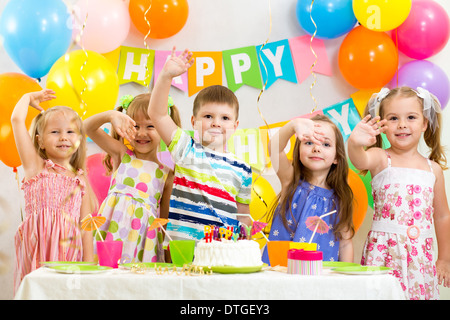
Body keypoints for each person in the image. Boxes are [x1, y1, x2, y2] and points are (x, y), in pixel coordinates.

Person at [348, 86, 450, 300]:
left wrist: (444, 258)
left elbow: (442, 216)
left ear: (424, 123)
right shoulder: (380, 158)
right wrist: (355, 142)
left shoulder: (433, 170)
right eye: (393, 118)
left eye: (411, 117)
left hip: (419, 257)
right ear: (382, 125)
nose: (402, 124)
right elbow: (359, 159)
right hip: (383, 253)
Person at [148, 47, 253, 246]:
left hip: (223, 251)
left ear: (235, 125)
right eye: (208, 116)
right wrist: (165, 76)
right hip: (183, 248)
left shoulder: (243, 169)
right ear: (194, 121)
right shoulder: (185, 149)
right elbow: (158, 114)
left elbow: (243, 214)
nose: (216, 123)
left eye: (225, 118)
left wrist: (246, 241)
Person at [11, 89, 95, 291]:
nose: (63, 137)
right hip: (37, 249)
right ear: (40, 140)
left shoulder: (80, 179)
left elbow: (86, 227)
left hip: (70, 253)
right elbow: (16, 120)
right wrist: (26, 97)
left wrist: (89, 265)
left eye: (70, 132)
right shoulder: (36, 167)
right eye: (55, 132)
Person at [84, 93, 179, 263]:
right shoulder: (122, 154)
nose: (141, 133)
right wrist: (110, 115)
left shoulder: (166, 174)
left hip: (142, 243)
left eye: (150, 126)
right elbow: (86, 128)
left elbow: (164, 222)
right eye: (135, 126)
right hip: (111, 234)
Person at [262, 115, 354, 263]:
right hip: (281, 271)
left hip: (321, 277)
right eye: (309, 142)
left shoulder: (340, 199)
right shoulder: (290, 180)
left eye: (326, 144)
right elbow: (274, 148)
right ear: (298, 152)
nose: (316, 148)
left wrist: (346, 281)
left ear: (337, 157)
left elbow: (345, 243)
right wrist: (293, 126)